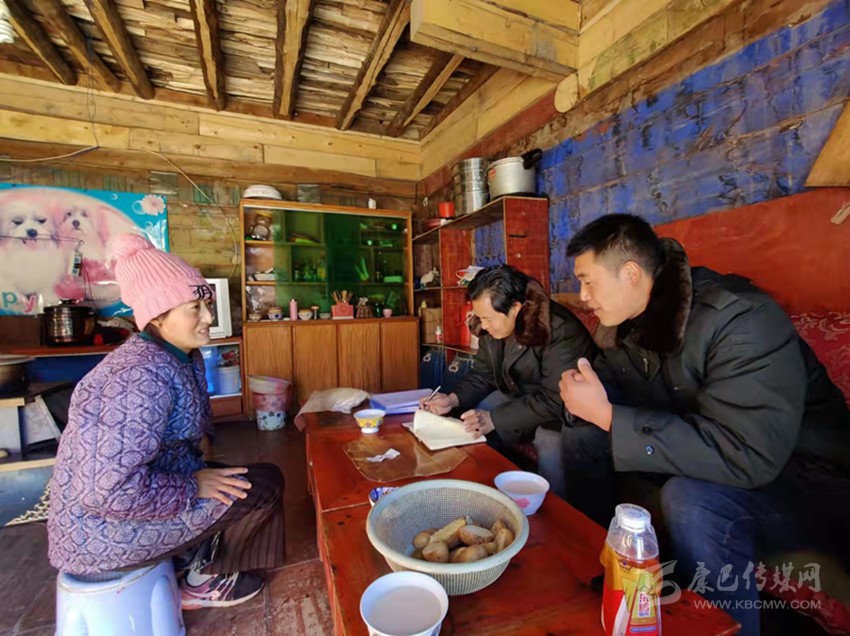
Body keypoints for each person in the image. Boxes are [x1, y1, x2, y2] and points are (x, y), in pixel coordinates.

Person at [557, 213, 850, 635]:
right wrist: (581, 400)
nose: (583, 297)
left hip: (805, 481)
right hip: (713, 450)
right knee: (584, 437)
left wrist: (607, 414)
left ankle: (725, 628)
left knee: (691, 498)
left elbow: (747, 455)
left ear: (631, 274)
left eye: (588, 282)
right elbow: (608, 391)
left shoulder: (741, 319)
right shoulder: (628, 323)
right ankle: (606, 576)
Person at [48, 234, 285, 610]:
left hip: (123, 511)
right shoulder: (138, 377)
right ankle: (205, 581)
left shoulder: (173, 355)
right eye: (195, 308)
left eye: (207, 304)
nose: (209, 317)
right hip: (101, 536)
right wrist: (192, 485)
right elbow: (106, 492)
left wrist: (199, 475)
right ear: (157, 315)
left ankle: (186, 559)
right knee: (261, 485)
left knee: (234, 475)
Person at [421, 264, 596, 488]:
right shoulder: (491, 327)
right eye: (480, 317)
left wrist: (494, 419)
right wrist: (452, 399)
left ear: (515, 309)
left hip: (563, 410)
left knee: (550, 442)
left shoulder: (558, 330)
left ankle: (551, 506)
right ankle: (478, 483)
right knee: (471, 420)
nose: (483, 326)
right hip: (518, 394)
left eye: (488, 319)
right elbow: (482, 374)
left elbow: (556, 399)